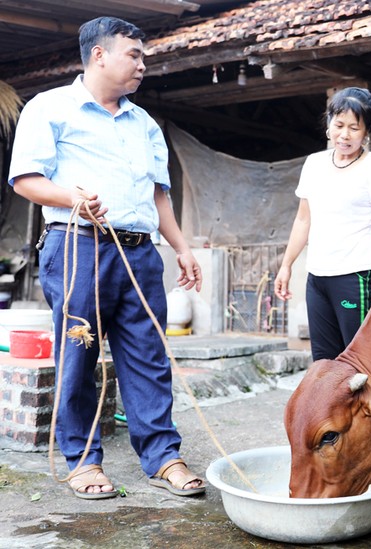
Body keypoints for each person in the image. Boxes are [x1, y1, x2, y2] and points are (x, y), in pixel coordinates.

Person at [8, 16, 205, 499]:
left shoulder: (146, 125)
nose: (142, 64)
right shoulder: (50, 107)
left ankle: (163, 457)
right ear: (99, 54)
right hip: (77, 246)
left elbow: (159, 198)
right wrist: (69, 196)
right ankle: (82, 461)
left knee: (149, 358)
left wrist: (181, 248)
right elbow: (26, 181)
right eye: (134, 55)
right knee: (79, 354)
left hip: (140, 253)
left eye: (142, 56)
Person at [274, 87, 371, 361]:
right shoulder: (314, 164)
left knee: (361, 360)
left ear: (367, 132)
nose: (345, 135)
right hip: (317, 278)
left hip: (357, 276)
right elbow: (303, 219)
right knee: (323, 363)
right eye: (339, 125)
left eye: (354, 128)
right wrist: (286, 266)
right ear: (328, 123)